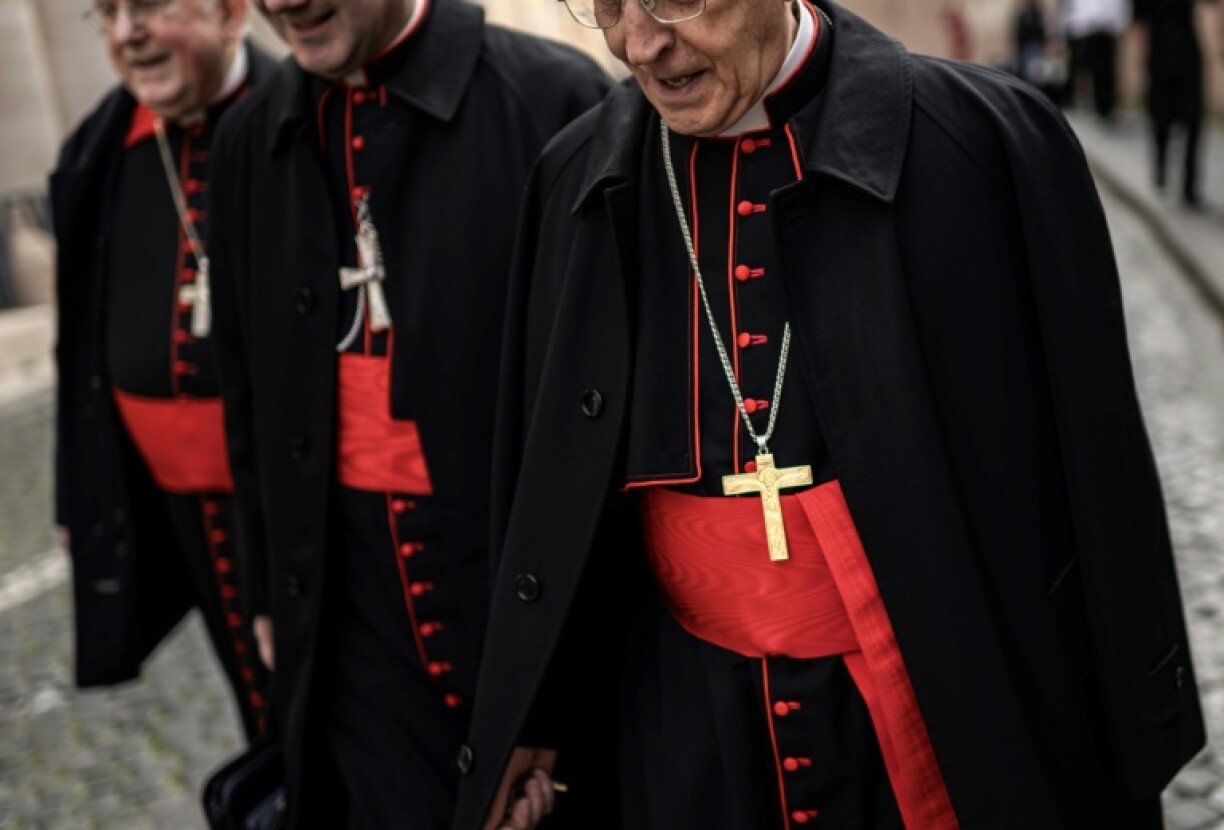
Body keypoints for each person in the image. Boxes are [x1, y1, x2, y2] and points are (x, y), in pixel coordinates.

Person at [454, 0, 1206, 828]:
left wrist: (1135, 739)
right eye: (607, 4)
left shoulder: (986, 142)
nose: (640, 43)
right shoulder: (573, 177)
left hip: (949, 714)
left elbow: (1104, 485)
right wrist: (532, 717)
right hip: (682, 737)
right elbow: (550, 503)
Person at [206, 0, 610, 826]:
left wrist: (562, 692)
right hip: (357, 634)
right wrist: (269, 591)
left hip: (518, 606)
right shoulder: (250, 140)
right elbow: (247, 395)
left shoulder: (552, 98)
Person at [50, 0, 276, 745]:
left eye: (147, 4)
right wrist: (80, 488)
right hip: (176, 509)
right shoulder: (98, 151)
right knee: (257, 700)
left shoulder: (297, 118)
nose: (126, 34)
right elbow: (78, 343)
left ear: (232, 12)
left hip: (294, 503)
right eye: (106, 13)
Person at [1134, 0, 1218, 206]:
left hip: (1186, 51)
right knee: (1160, 117)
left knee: (1193, 120)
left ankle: (1189, 184)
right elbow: (1139, 20)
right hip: (1160, 50)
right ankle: (1161, 166)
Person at [1061, 0, 1131, 118]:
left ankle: (1103, 105)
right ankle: (1076, 98)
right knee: (1079, 67)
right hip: (1081, 29)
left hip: (1105, 29)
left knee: (1104, 70)